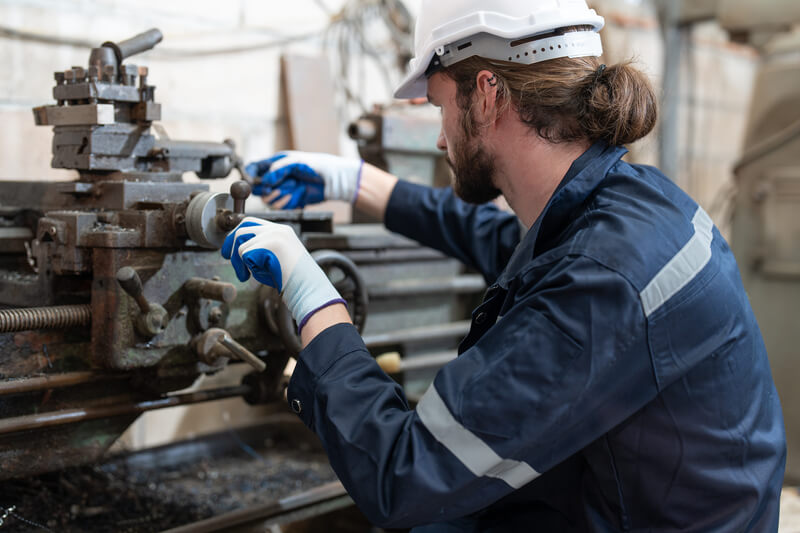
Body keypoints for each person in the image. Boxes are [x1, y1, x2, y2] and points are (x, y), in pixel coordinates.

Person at [221, 1, 787, 531]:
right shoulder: (626, 204)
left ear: (488, 93)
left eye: (442, 105)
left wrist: (313, 299)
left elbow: (403, 473)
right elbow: (504, 244)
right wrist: (354, 182)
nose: (441, 136)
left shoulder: (604, 276)